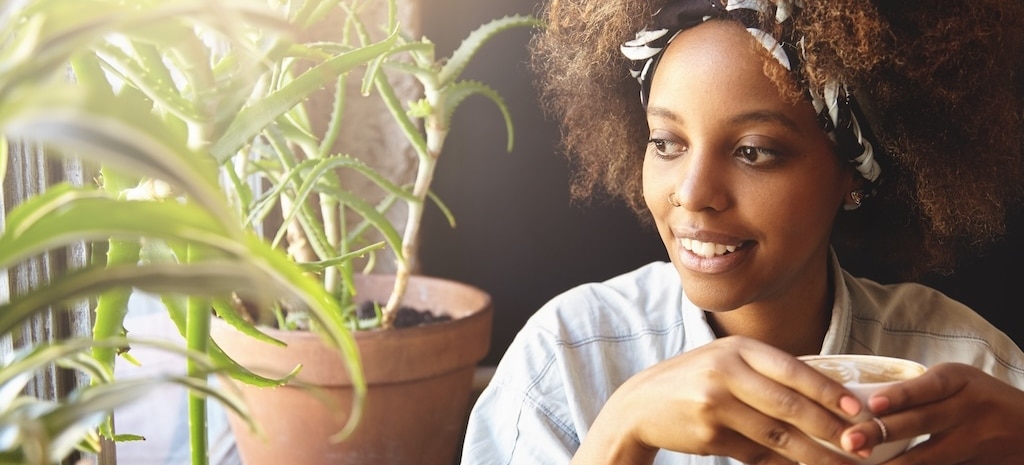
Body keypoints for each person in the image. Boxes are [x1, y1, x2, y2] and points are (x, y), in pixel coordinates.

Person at [460, 0, 1024, 464]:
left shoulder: (967, 372)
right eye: (666, 143)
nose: (693, 191)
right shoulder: (568, 360)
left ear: (852, 174)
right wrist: (622, 430)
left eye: (754, 152)